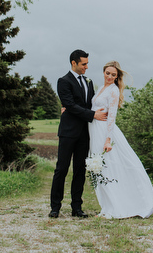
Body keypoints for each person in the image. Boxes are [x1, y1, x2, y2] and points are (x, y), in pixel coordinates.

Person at [88, 61, 153, 219]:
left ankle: (119, 205)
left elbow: (111, 116)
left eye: (113, 75)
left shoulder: (113, 91)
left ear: (117, 77)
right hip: (95, 131)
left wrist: (108, 140)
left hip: (104, 132)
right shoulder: (101, 88)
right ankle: (107, 206)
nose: (110, 77)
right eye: (108, 73)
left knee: (110, 168)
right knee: (101, 170)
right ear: (103, 72)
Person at [49, 49, 107, 218]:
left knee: (80, 170)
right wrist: (92, 115)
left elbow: (91, 103)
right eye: (84, 64)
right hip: (68, 132)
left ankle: (77, 207)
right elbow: (70, 104)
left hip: (84, 133)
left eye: (87, 63)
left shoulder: (88, 82)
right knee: (61, 169)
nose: (86, 67)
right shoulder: (63, 81)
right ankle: (55, 207)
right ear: (74, 63)